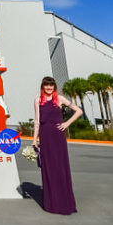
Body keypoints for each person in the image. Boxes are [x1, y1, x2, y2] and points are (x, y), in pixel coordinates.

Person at [33, 76, 81, 214]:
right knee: (48, 168)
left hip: (58, 136)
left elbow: (79, 111)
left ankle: (65, 203)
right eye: (46, 86)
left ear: (54, 87)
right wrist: (34, 139)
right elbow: (37, 121)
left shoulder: (60, 99)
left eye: (51, 85)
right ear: (43, 87)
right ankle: (52, 203)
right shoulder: (37, 100)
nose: (49, 88)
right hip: (45, 136)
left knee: (60, 167)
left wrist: (67, 123)